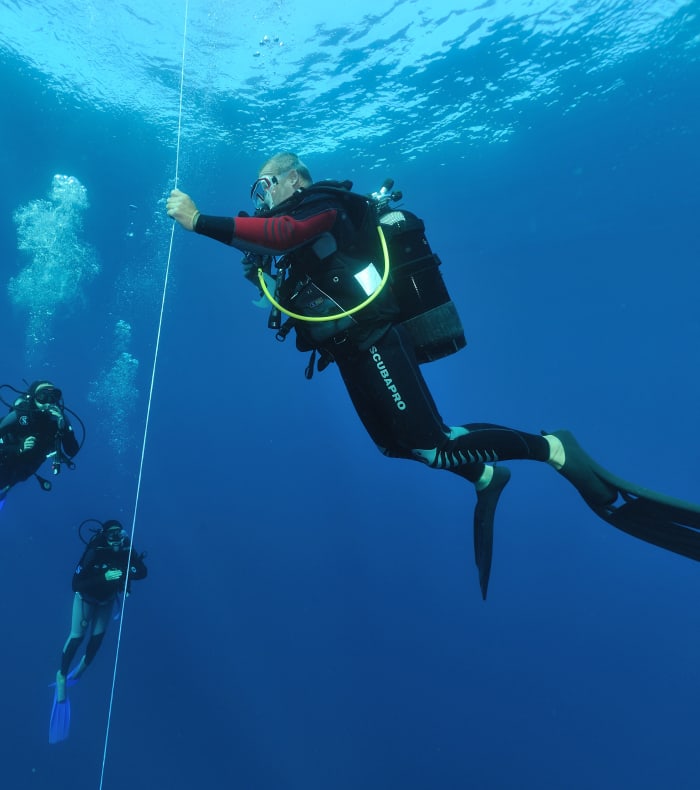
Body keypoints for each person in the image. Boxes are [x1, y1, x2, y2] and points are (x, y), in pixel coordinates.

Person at [166, 151, 700, 599]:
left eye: (264, 186)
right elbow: (280, 249)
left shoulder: (324, 203)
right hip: (350, 351)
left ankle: (554, 449)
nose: (260, 198)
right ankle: (486, 474)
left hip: (376, 339)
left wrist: (199, 221)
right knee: (397, 447)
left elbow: (283, 231)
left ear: (293, 178)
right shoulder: (295, 234)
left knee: (435, 443)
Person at [49, 519, 147, 744]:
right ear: (104, 535)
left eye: (119, 534)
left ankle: (79, 672)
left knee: (96, 641)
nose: (116, 539)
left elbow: (142, 572)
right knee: (77, 637)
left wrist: (127, 571)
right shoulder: (95, 550)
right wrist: (104, 577)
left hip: (105, 601)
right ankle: (61, 676)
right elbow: (76, 584)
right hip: (85, 599)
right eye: (111, 535)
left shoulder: (125, 547)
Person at [0, 380, 80, 503]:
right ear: (33, 398)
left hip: (24, 472)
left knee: (8, 484)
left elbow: (72, 451)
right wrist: (18, 448)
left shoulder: (59, 420)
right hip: (4, 462)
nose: (48, 402)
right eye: (42, 397)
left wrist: (64, 429)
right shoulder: (21, 414)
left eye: (53, 397)